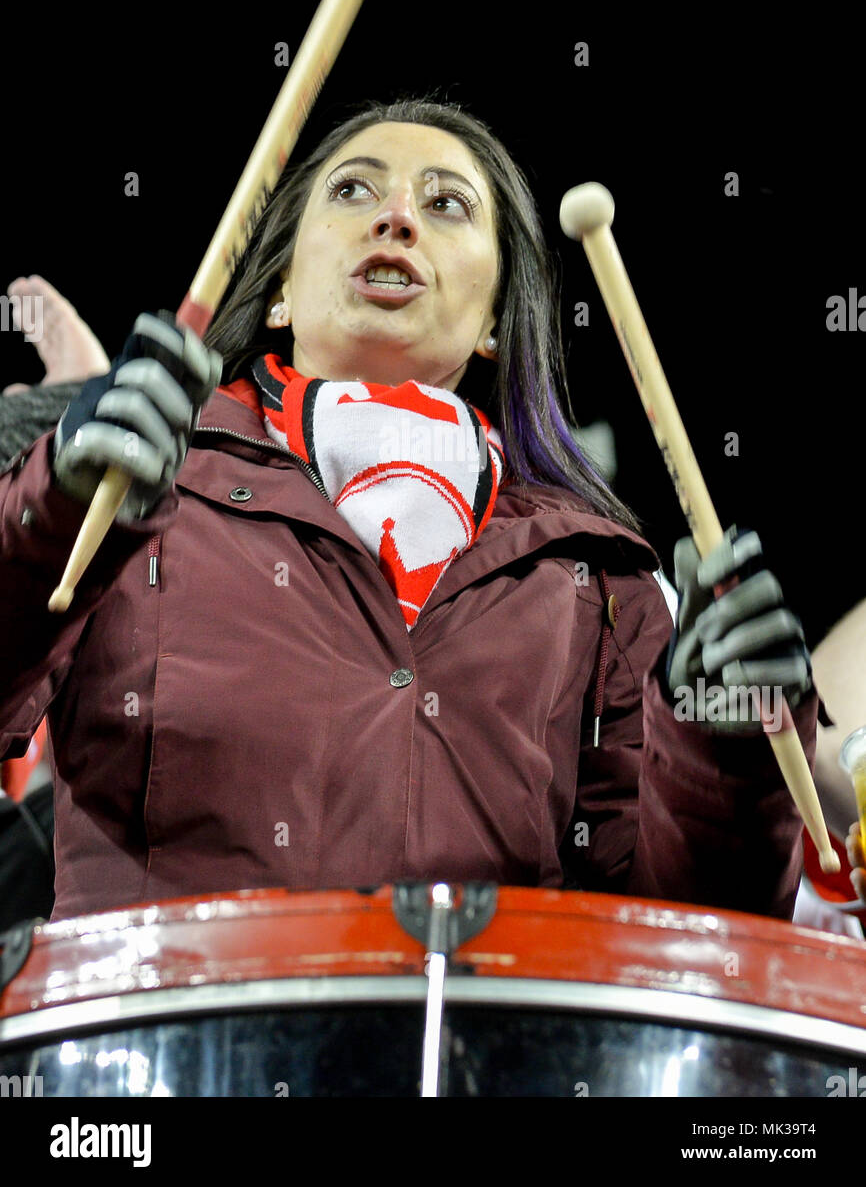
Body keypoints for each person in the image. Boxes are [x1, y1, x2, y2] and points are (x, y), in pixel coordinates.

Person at [0, 98, 830, 925]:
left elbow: (685, 938)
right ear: (281, 288)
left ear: (497, 323)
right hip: (174, 1050)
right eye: (354, 192)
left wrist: (725, 747)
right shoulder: (136, 490)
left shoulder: (601, 582)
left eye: (445, 205)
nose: (396, 217)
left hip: (492, 1058)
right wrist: (56, 505)